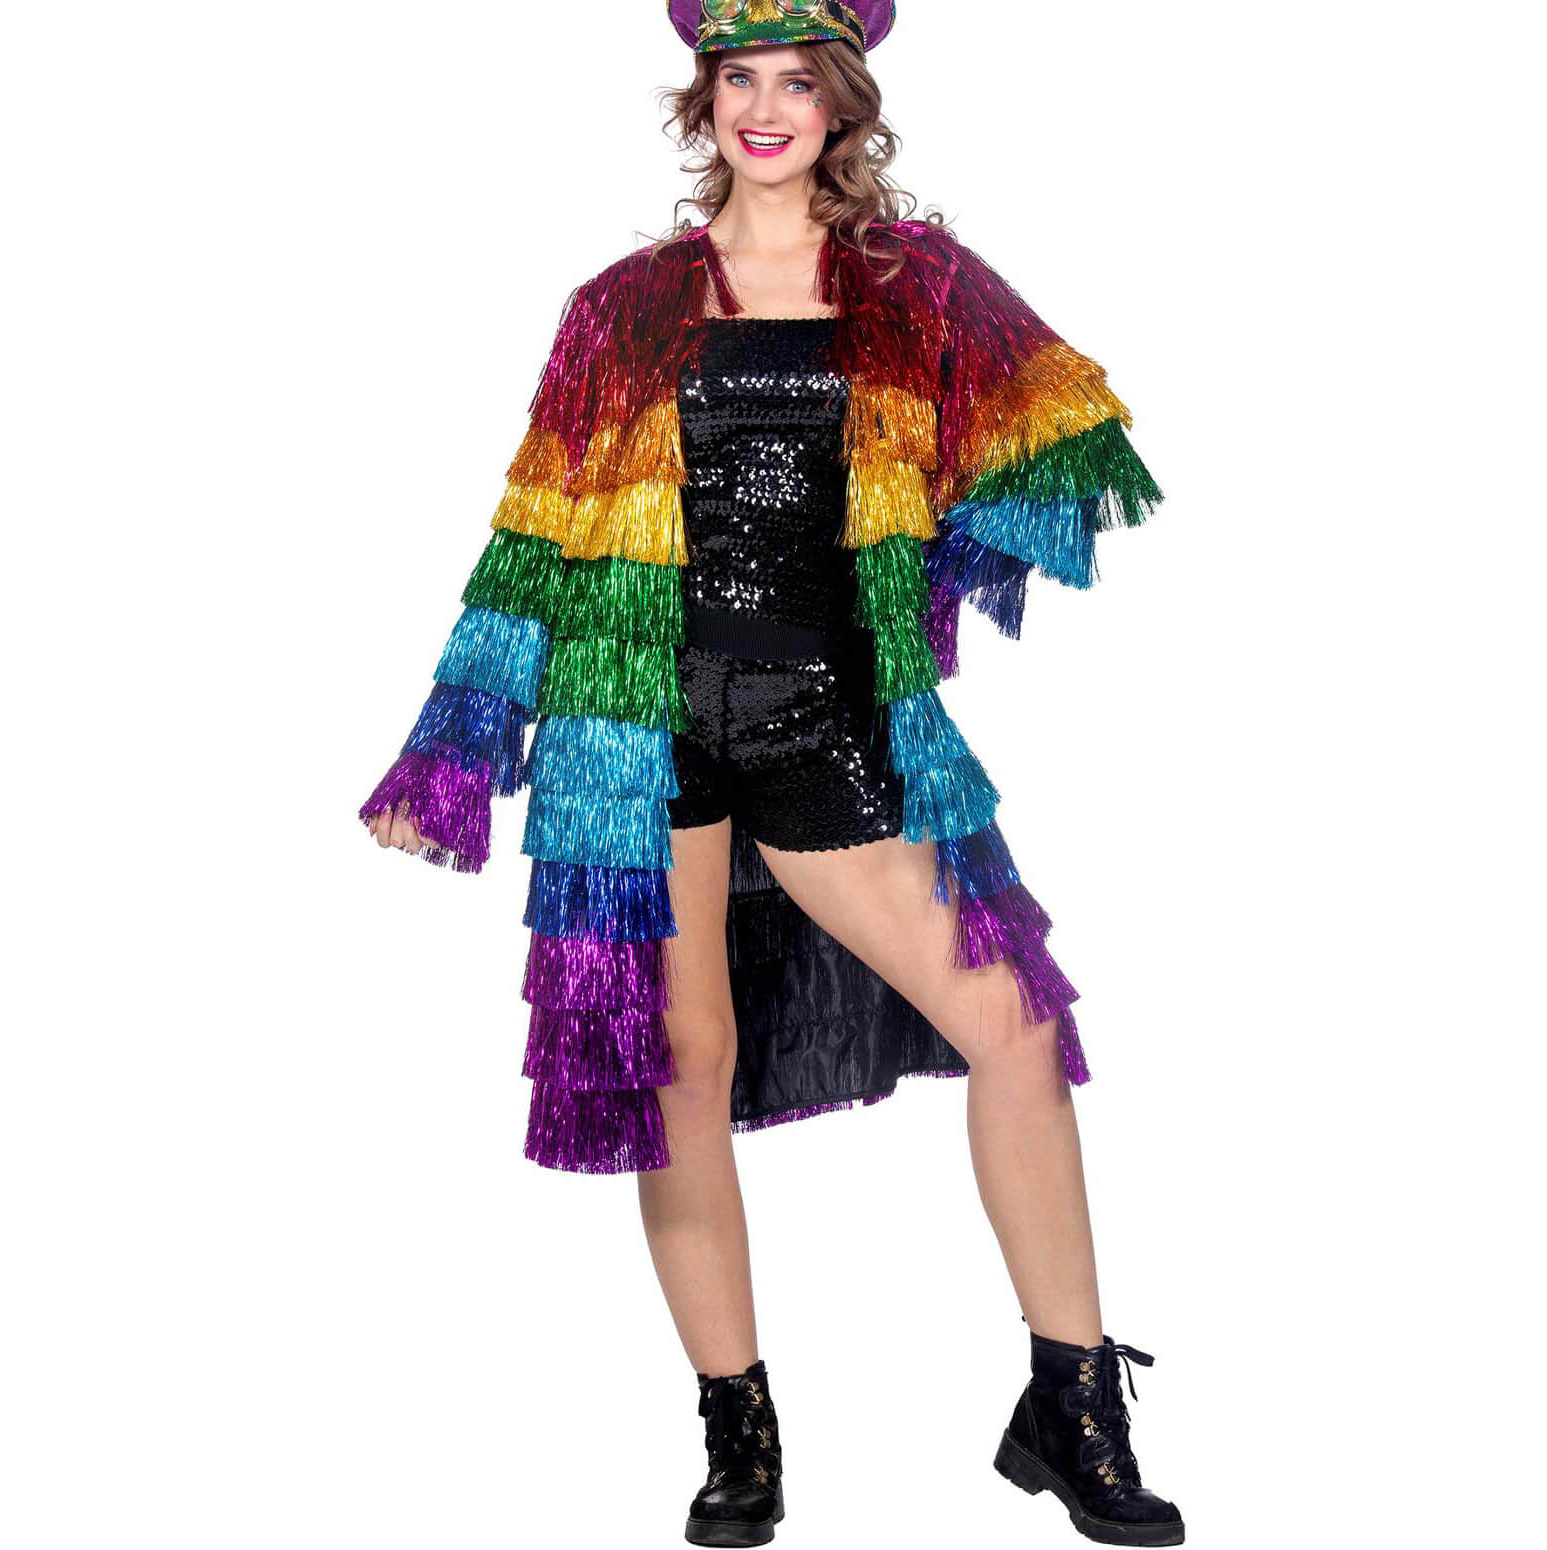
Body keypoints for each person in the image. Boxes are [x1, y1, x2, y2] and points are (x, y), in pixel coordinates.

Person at [360, 3, 1182, 1544]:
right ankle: (737, 1428)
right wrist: (458, 740)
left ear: (839, 103)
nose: (763, 106)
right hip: (631, 724)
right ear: (705, 98)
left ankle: (1071, 1400)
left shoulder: (912, 283)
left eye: (795, 80)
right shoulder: (621, 306)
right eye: (738, 76)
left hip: (822, 718)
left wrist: (917, 578)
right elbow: (535, 532)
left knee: (1013, 1023)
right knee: (679, 1062)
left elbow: (1066, 435)